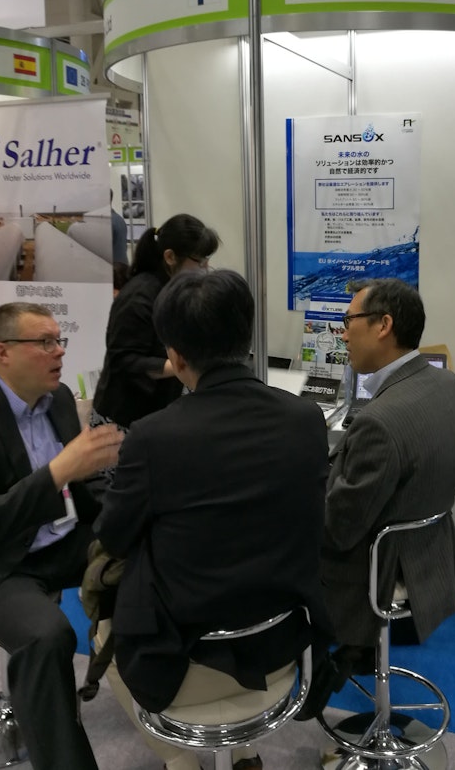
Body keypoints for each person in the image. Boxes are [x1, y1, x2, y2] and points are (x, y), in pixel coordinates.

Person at [95, 269, 331, 770]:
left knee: (101, 613)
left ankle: (180, 760)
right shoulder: (306, 420)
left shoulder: (152, 437)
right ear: (247, 338)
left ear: (175, 357)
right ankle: (239, 751)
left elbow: (114, 535)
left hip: (186, 650)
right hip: (285, 636)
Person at [0, 303, 124, 770]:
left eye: (58, 340)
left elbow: (85, 486)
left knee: (149, 558)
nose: (59, 351)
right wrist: (57, 472)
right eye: (44, 342)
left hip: (61, 537)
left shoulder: (59, 398)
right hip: (0, 564)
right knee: (46, 637)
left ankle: (170, 716)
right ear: (2, 352)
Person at [302, 278, 455, 716]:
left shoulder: (379, 421)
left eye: (348, 322)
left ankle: (301, 668)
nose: (343, 334)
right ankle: (355, 651)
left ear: (383, 325)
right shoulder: (446, 384)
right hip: (429, 548)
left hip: (379, 567)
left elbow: (337, 531)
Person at [92, 213, 219, 430]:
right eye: (199, 261)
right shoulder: (139, 296)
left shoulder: (175, 289)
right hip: (123, 417)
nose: (205, 269)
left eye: (207, 261)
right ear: (170, 257)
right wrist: (180, 365)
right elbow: (124, 360)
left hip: (160, 410)